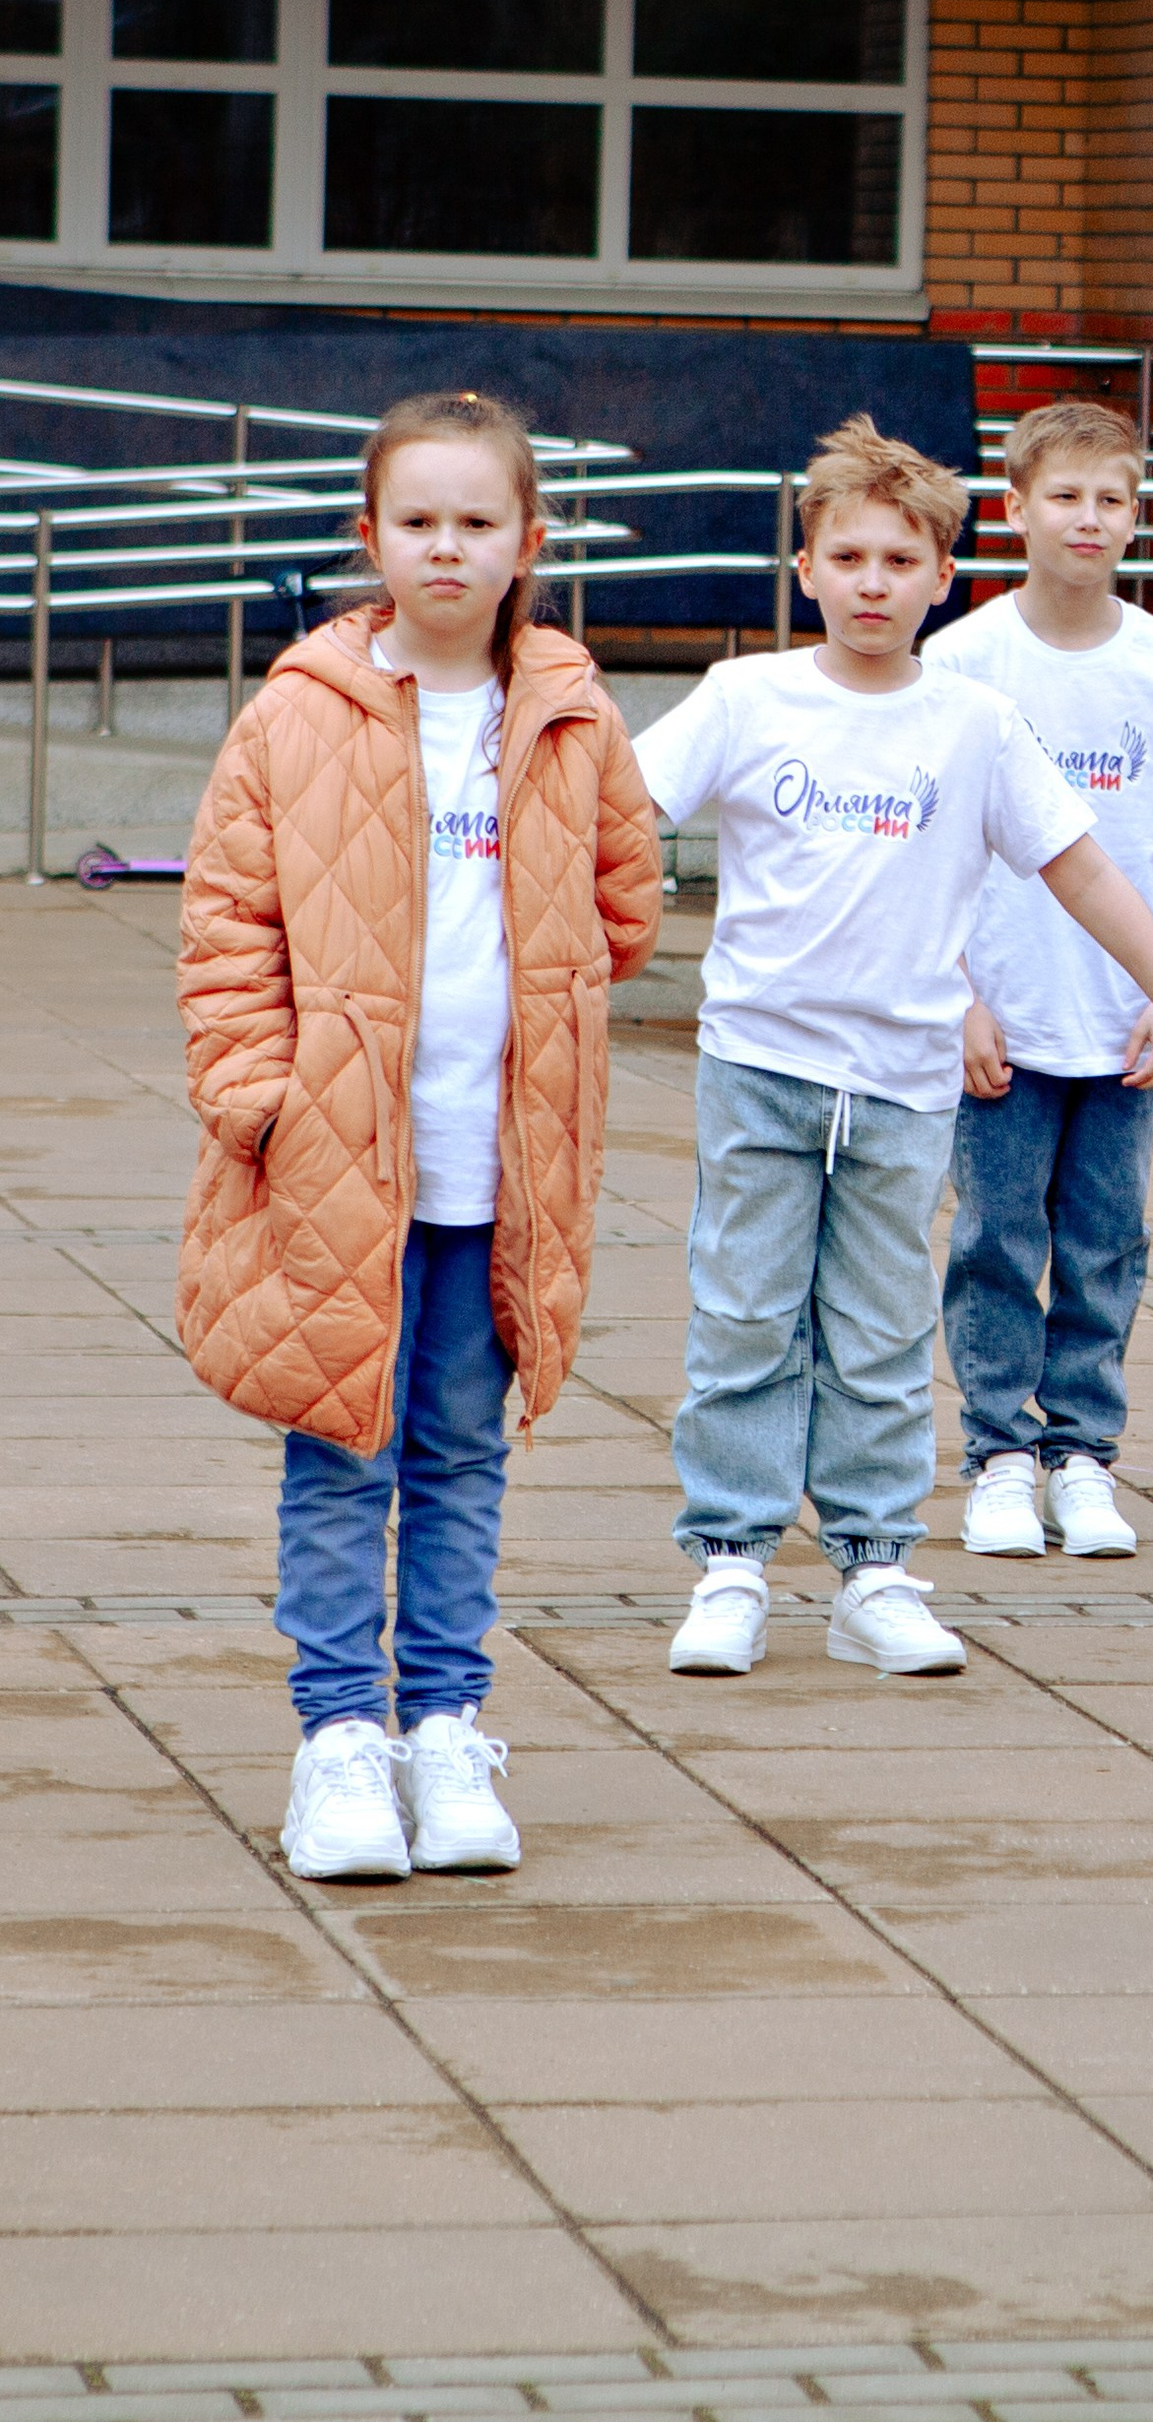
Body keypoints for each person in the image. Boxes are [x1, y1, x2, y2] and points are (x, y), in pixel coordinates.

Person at [634, 415, 1153, 1682]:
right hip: (760, 1067)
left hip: (904, 1086)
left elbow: (1087, 872)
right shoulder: (747, 695)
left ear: (940, 575)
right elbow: (610, 819)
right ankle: (734, 1560)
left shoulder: (975, 722)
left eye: (899, 561)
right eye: (847, 557)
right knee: (747, 1317)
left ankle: (870, 1565)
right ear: (806, 569)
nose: (872, 582)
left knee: (877, 1327)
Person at [178, 390, 663, 1884]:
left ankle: (446, 1724)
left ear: (529, 539)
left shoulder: (573, 713)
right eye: (416, 521)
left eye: (475, 522)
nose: (445, 549)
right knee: (343, 1451)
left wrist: (558, 1019)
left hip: (496, 1170)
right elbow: (224, 927)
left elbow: (628, 902)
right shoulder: (294, 714)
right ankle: (339, 1741)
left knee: (460, 1454)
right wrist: (263, 1096)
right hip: (333, 1165)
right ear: (370, 535)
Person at [923, 401, 1153, 1559]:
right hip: (1003, 1009)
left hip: (1122, 1020)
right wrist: (957, 991)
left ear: (1135, 514)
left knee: (1107, 1238)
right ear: (1013, 510)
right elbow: (936, 841)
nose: (1088, 517)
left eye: (1111, 497)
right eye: (1063, 495)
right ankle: (1000, 1454)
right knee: (996, 1236)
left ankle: (1083, 1455)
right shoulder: (962, 657)